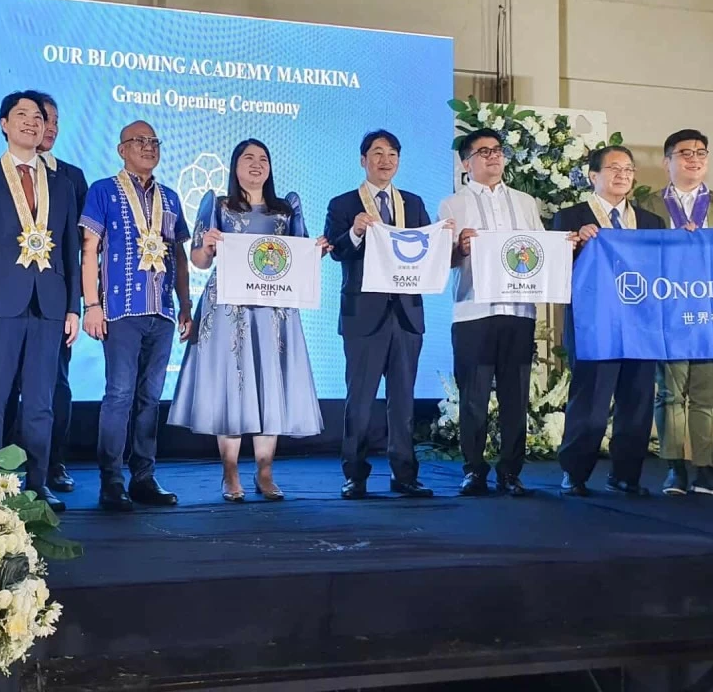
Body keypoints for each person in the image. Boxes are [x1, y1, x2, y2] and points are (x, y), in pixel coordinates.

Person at [168, 139, 327, 502]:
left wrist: (317, 250)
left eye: (263, 159)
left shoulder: (286, 209)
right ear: (234, 165)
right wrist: (207, 246)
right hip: (228, 308)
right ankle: (230, 473)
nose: (256, 164)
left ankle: (266, 472)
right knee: (232, 385)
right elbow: (199, 260)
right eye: (248, 158)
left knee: (270, 383)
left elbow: (301, 257)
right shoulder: (218, 205)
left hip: (274, 310)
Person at [0, 91, 81, 513]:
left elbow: (69, 251)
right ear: (3, 123)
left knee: (41, 405)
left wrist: (73, 308)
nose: (32, 122)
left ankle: (38, 482)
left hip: (49, 308)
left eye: (39, 116)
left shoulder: (62, 185)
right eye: (22, 115)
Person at [438, 127, 564, 497]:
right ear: (466, 162)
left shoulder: (526, 202)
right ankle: (474, 469)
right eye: (483, 152)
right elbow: (441, 260)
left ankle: (511, 470)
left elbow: (539, 250)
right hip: (473, 311)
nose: (493, 157)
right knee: (474, 398)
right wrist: (460, 248)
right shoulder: (452, 204)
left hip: (519, 311)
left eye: (497, 150)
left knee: (515, 396)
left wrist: (563, 247)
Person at [324, 129, 449, 499]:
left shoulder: (412, 201)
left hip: (407, 314)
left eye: (392, 153)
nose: (385, 159)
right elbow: (336, 250)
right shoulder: (344, 204)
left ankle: (404, 474)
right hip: (364, 315)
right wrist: (356, 232)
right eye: (377, 153)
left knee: (404, 400)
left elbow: (427, 253)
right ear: (363, 160)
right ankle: (355, 475)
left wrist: (444, 237)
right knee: (359, 401)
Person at [80, 120, 192, 512]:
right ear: (121, 149)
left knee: (150, 397)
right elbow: (89, 249)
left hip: (161, 311)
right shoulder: (103, 191)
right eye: (138, 141)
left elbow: (178, 256)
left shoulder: (171, 198)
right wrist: (90, 305)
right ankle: (111, 480)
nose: (147, 147)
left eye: (153, 141)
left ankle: (143, 476)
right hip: (120, 310)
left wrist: (186, 306)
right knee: (120, 394)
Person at [553, 145, 665, 497]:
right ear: (593, 175)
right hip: (594, 325)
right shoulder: (570, 217)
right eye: (614, 168)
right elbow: (558, 273)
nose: (622, 175)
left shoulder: (651, 222)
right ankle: (575, 472)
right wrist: (575, 246)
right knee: (591, 402)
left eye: (628, 169)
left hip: (640, 324)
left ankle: (626, 474)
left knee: (637, 401)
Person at [639, 129, 713, 496]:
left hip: (712, 311)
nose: (694, 158)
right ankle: (674, 468)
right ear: (667, 162)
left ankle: (706, 470)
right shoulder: (647, 205)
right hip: (666, 310)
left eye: (701, 152)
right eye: (684, 152)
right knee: (669, 393)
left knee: (706, 394)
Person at [3, 91, 89, 495]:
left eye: (53, 120)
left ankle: (52, 464)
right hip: (9, 303)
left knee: (55, 387)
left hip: (54, 305)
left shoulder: (71, 178)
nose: (47, 126)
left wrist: (77, 304)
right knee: (4, 390)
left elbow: (80, 248)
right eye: (40, 118)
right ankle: (0, 470)